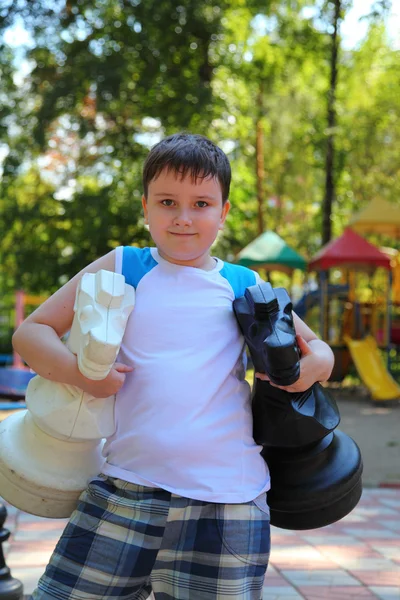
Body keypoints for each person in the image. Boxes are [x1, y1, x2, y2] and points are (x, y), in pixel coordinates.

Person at [13, 132, 334, 600]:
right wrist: (79, 374)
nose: (183, 218)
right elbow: (32, 332)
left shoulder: (244, 284)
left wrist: (311, 366)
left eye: (201, 203)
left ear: (223, 212)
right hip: (126, 485)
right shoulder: (123, 266)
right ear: (145, 207)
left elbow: (319, 351)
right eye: (167, 202)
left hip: (229, 499)